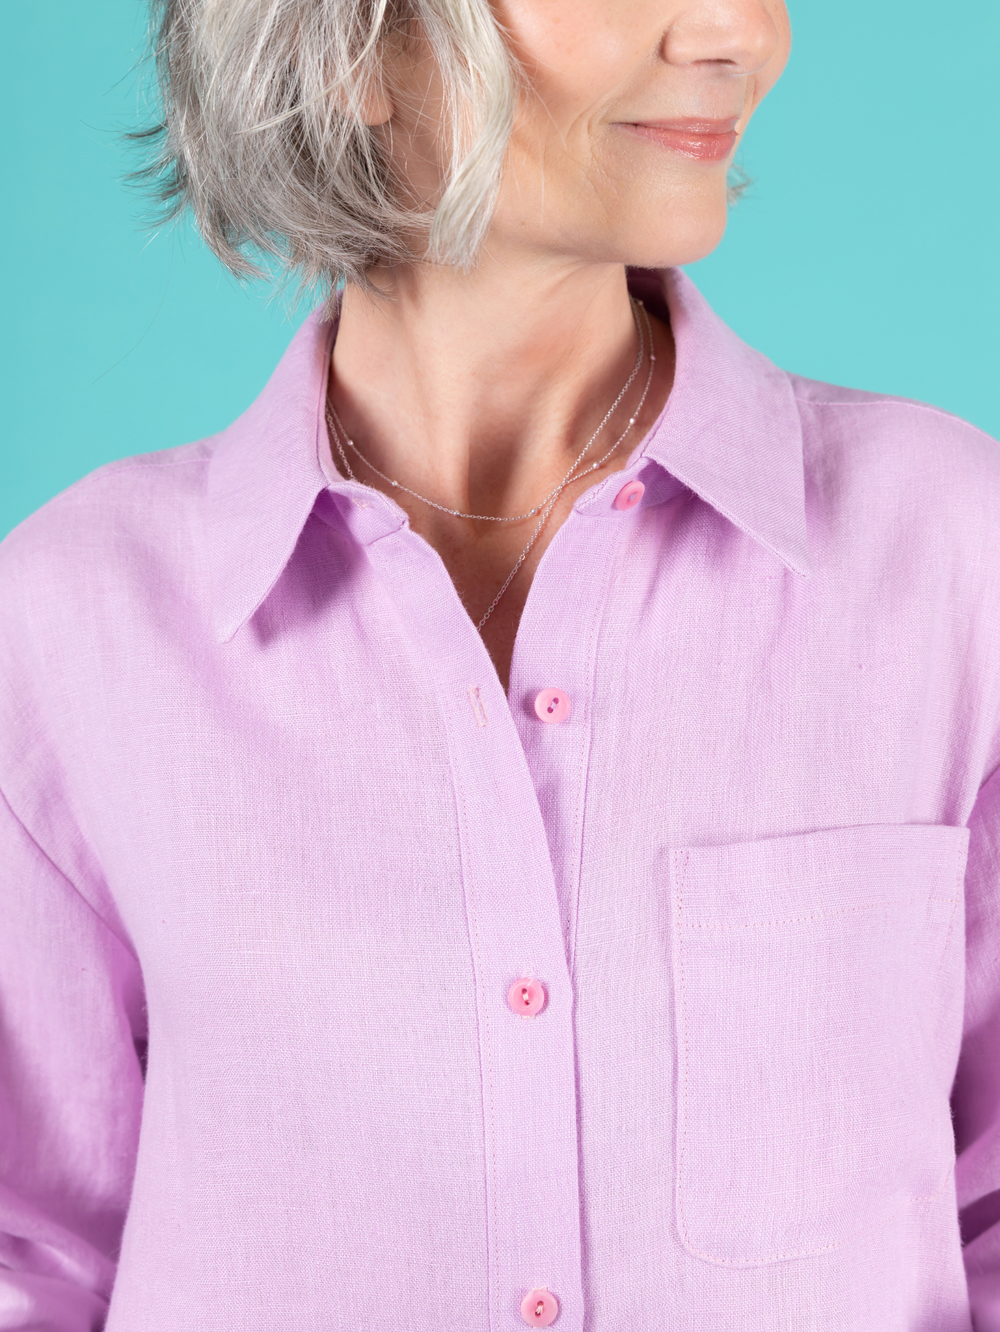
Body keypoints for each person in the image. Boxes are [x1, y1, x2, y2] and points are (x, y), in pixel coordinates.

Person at [1, 0, 999, 1327]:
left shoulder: (946, 550)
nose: (743, 34)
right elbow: (35, 1254)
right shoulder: (76, 618)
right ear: (351, 44)